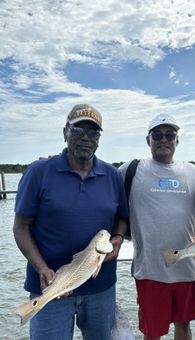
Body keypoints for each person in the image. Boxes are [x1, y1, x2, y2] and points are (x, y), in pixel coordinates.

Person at [13, 104, 128, 340]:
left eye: (93, 132)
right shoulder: (38, 172)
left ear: (99, 138)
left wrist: (117, 238)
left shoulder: (113, 176)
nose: (86, 137)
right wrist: (42, 268)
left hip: (101, 288)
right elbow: (21, 227)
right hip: (49, 284)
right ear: (65, 132)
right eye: (79, 130)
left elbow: (121, 218)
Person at [119, 113, 195, 340]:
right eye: (157, 135)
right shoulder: (131, 169)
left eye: (170, 135)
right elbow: (102, 191)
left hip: (188, 269)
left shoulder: (194, 174)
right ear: (148, 140)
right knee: (151, 331)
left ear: (177, 140)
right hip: (149, 270)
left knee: (184, 325)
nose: (163, 140)